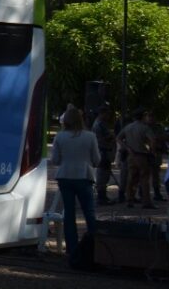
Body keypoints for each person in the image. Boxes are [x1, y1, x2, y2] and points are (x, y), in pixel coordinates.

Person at [51, 105, 101, 263]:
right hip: (84, 175)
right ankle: (95, 246)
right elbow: (97, 159)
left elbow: (55, 160)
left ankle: (72, 249)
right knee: (89, 213)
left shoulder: (59, 137)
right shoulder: (90, 136)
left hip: (65, 176)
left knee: (69, 214)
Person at [118, 109, 158, 209]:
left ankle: (129, 200)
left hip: (131, 155)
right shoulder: (145, 128)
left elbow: (118, 138)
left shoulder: (128, 127)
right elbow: (152, 140)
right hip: (142, 155)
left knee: (131, 178)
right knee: (144, 179)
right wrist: (152, 151)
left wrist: (126, 147)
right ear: (143, 117)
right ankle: (146, 202)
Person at [91, 105, 117, 204]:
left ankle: (103, 196)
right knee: (103, 174)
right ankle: (101, 197)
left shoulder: (99, 123)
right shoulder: (100, 124)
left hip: (103, 151)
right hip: (103, 151)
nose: (108, 116)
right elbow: (107, 137)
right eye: (107, 114)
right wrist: (111, 137)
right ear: (102, 113)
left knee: (104, 174)